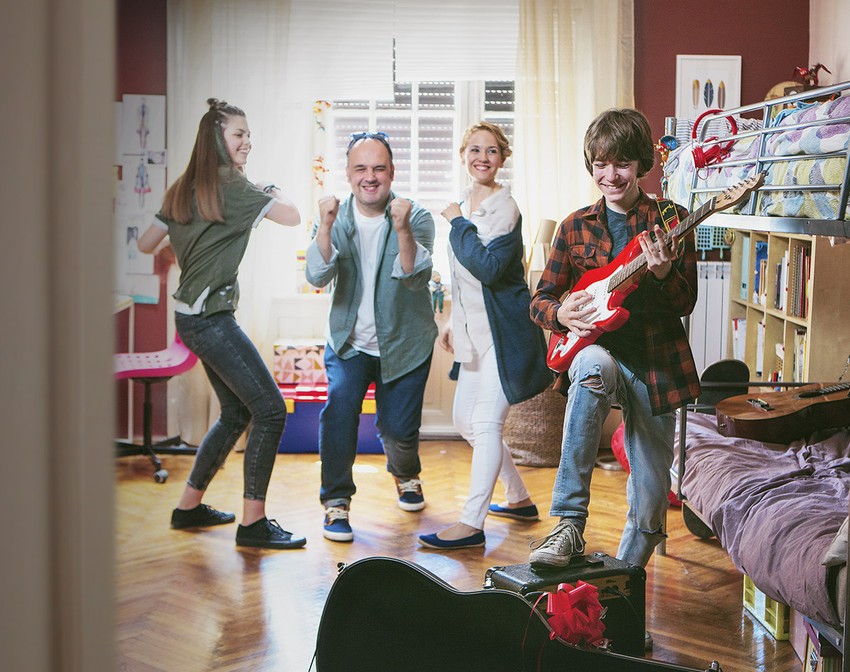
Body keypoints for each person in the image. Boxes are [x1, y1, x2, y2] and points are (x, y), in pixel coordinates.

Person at [527, 108, 701, 572]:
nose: (610, 175)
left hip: (657, 365)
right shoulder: (574, 226)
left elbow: (685, 302)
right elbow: (540, 300)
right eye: (601, 164)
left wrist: (662, 274)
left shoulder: (673, 220)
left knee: (651, 500)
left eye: (622, 163)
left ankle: (624, 582)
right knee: (590, 366)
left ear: (641, 164)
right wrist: (560, 313)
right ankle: (568, 524)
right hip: (598, 353)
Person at [137, 98, 306, 550]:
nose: (248, 141)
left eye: (248, 134)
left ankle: (187, 508)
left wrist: (179, 250)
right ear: (216, 139)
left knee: (236, 412)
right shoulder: (234, 187)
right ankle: (253, 524)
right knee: (270, 410)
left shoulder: (184, 187)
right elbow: (292, 215)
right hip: (211, 320)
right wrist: (270, 186)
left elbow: (146, 244)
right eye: (239, 134)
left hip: (189, 318)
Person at [418, 122, 552, 550]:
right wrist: (452, 322)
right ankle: (519, 499)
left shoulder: (503, 207)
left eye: (491, 150)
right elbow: (463, 279)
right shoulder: (463, 202)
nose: (482, 157)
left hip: (505, 331)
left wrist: (458, 223)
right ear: (462, 154)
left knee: (486, 423)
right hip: (474, 331)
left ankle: (471, 524)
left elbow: (488, 269)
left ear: (502, 158)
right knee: (465, 421)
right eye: (474, 149)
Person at [305, 131, 438, 543]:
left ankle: (406, 473)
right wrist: (325, 227)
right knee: (339, 413)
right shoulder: (334, 217)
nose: (370, 177)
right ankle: (336, 501)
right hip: (348, 342)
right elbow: (317, 276)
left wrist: (401, 228)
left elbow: (415, 278)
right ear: (348, 173)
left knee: (398, 429)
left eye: (379, 168)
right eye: (360, 168)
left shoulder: (416, 216)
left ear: (392, 172)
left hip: (406, 342)